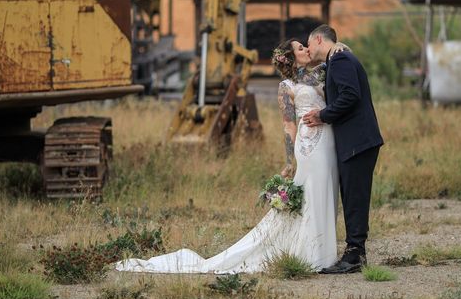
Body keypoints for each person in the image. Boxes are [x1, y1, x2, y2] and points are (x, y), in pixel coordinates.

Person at [115, 39, 344, 274]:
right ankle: (311, 255)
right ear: (290, 57)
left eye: (305, 46)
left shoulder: (320, 73)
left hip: (328, 140)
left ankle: (324, 253)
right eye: (300, 48)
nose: (306, 49)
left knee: (326, 191)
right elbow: (289, 126)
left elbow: (337, 58)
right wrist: (289, 160)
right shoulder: (286, 86)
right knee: (311, 193)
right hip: (307, 145)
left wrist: (339, 46)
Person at [304, 24, 383, 274]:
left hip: (358, 140)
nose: (307, 49)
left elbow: (350, 95)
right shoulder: (337, 59)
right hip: (356, 141)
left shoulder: (340, 60)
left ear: (318, 39)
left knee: (355, 198)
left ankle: (355, 255)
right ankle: (355, 253)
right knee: (352, 195)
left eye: (308, 44)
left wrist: (323, 115)